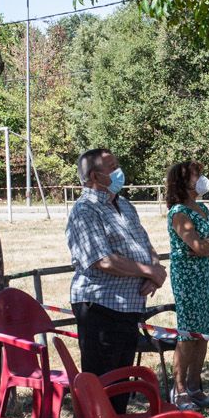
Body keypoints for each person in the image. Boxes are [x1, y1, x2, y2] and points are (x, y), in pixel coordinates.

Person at [67, 147, 163, 393]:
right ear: (94, 177)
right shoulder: (85, 210)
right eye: (112, 168)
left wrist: (153, 271)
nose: (120, 172)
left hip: (128, 308)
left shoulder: (125, 205)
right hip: (101, 309)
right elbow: (103, 260)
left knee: (120, 384)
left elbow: (144, 243)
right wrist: (149, 271)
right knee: (101, 386)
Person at [165, 160, 209, 409]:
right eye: (196, 176)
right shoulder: (179, 213)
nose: (201, 180)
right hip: (187, 278)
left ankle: (195, 385)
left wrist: (208, 243)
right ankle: (179, 389)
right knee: (188, 333)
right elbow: (198, 247)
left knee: (203, 332)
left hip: (204, 276)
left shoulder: (202, 208)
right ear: (183, 182)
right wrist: (208, 244)